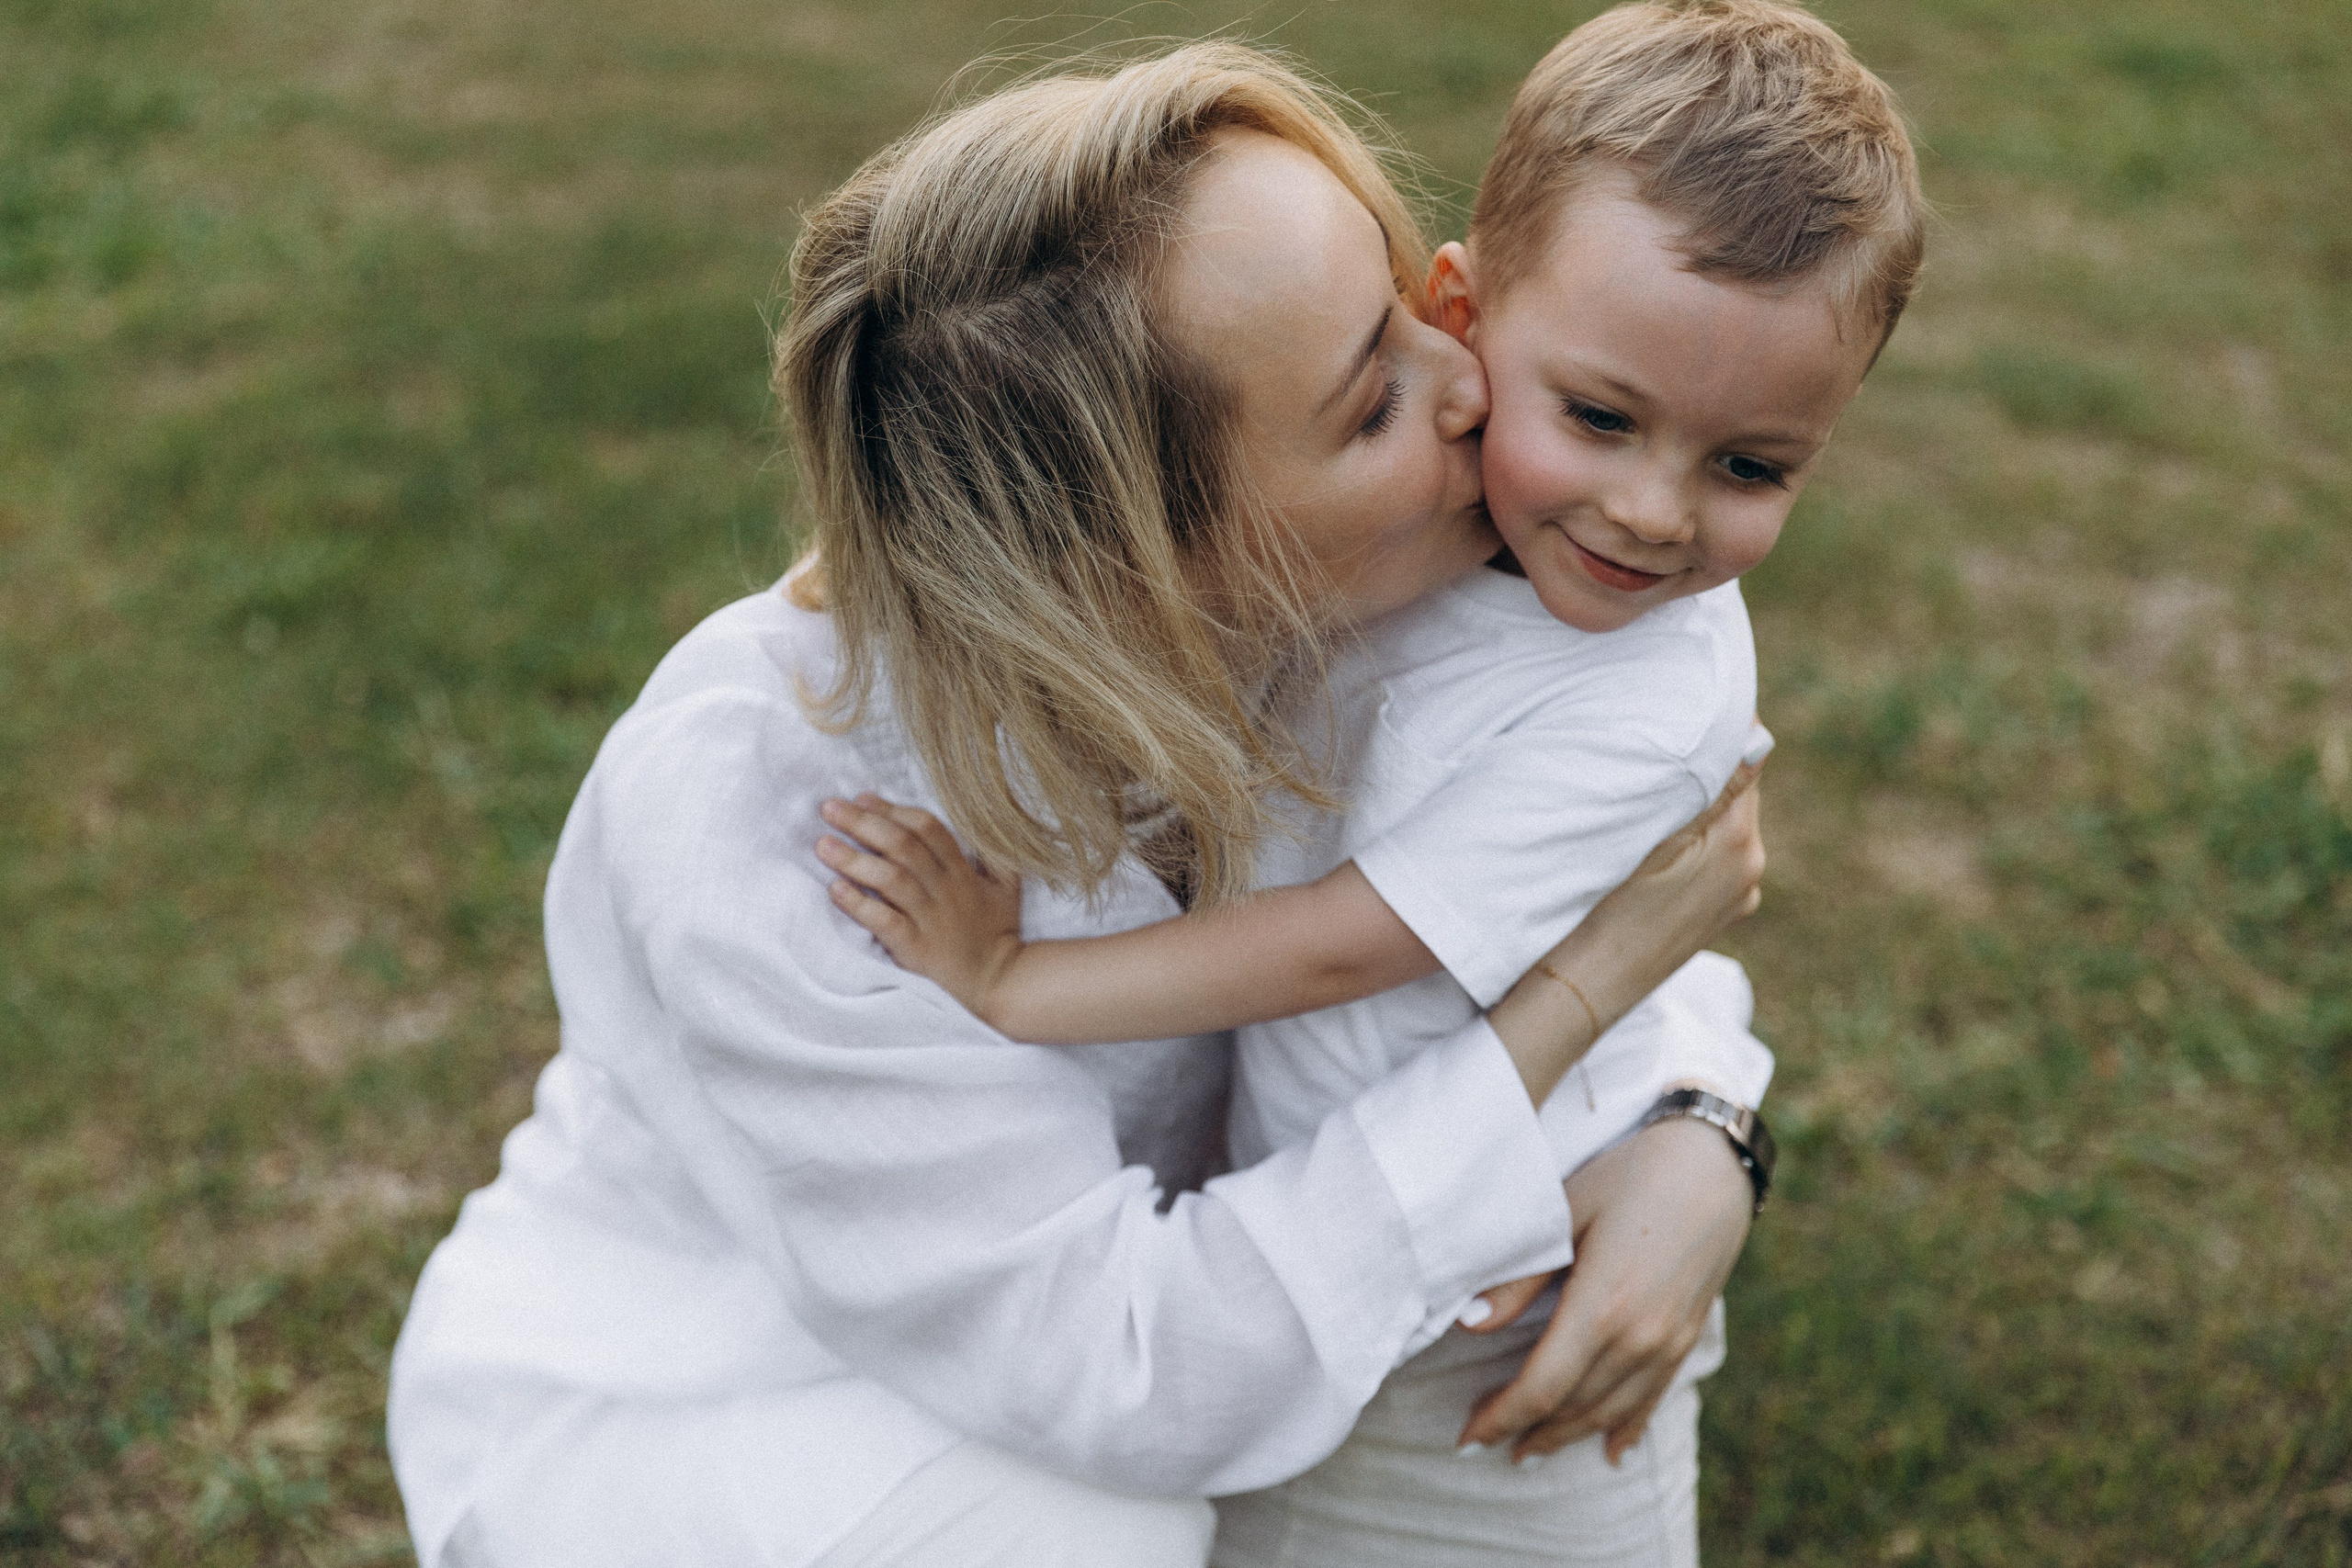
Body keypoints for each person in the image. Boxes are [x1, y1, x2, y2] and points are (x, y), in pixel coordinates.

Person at [387, 41, 1768, 1568]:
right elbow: (1131, 1370)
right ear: (1123, 563)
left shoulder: (1360, 582)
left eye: (1405, 305)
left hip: (1149, 1339)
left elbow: (1542, 869)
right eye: (1375, 398)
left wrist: (1700, 1121)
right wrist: (1565, 1021)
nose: (1473, 383)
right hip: (722, 1415)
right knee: (1087, 1536)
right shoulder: (762, 818)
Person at [812, 6, 1924, 1564]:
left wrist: (1013, 983)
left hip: (1501, 1303)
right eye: (1600, 419)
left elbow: (1355, 942)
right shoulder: (1444, 543)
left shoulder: (1618, 653)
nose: (1653, 513)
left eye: (1753, 467)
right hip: (1272, 1284)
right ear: (1470, 311)